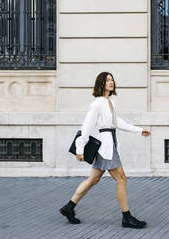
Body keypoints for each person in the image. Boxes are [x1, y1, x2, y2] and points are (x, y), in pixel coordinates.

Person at [59, 71, 151, 229]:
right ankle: (126, 217)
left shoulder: (110, 103)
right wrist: (79, 149)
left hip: (109, 144)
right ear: (101, 83)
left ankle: (69, 207)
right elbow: (86, 126)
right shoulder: (97, 104)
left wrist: (138, 130)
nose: (111, 82)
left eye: (112, 79)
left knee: (93, 180)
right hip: (106, 147)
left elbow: (118, 123)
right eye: (108, 80)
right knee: (122, 179)